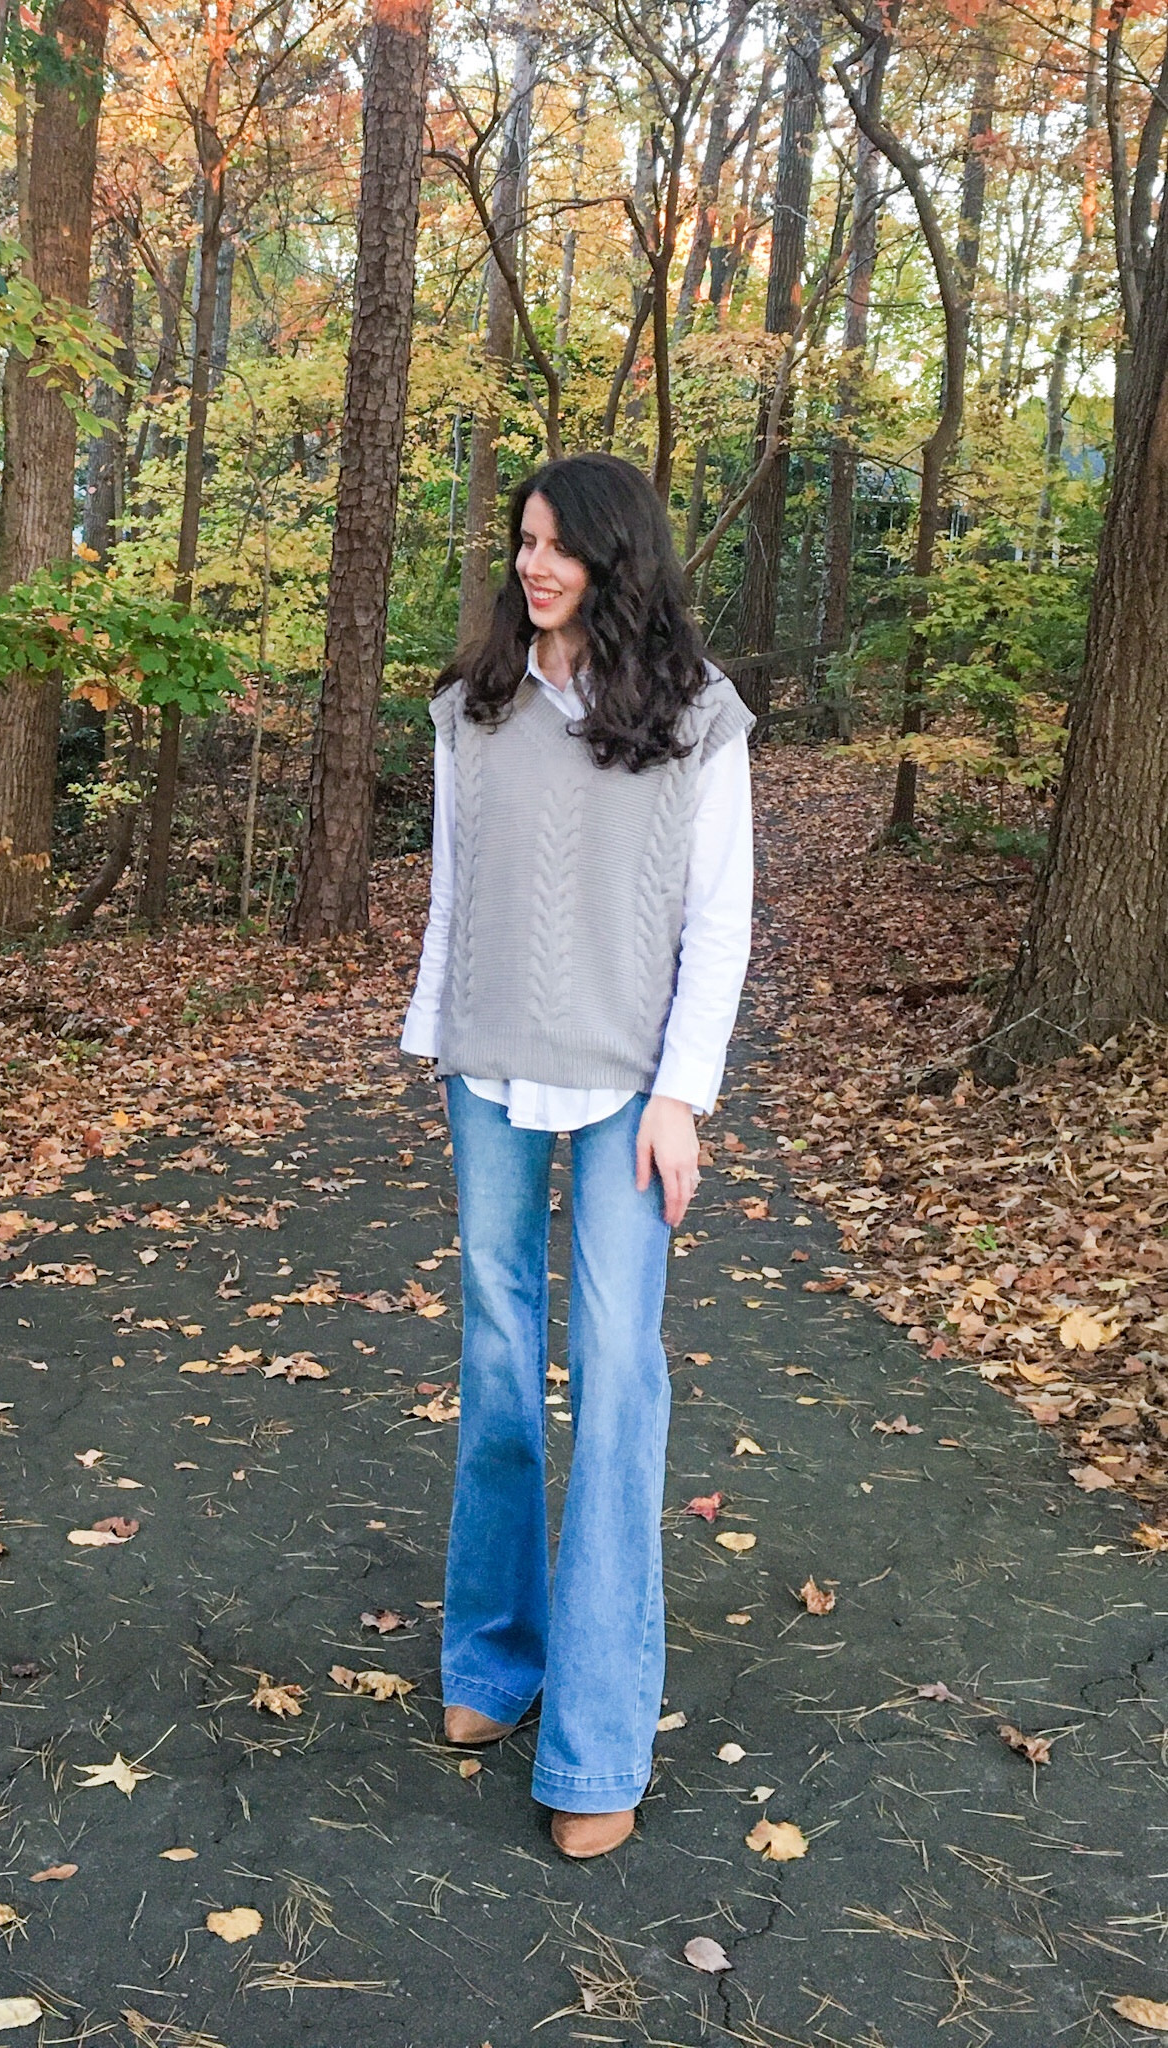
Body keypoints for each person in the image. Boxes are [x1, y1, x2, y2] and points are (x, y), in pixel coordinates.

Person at [399, 452, 754, 1859]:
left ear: (620, 560)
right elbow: (449, 892)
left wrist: (687, 1096)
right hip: (485, 1070)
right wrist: (432, 1035)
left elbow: (716, 924)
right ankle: (493, 1659)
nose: (534, 566)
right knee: (496, 1362)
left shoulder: (693, 719)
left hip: (628, 1089)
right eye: (523, 541)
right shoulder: (469, 711)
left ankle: (597, 1735)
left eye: (561, 547)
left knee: (614, 1386)